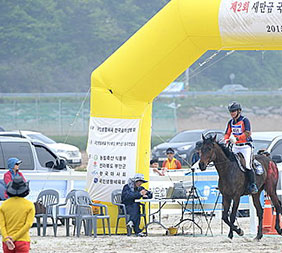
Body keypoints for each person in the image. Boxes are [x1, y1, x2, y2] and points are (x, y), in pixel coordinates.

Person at [224, 101, 258, 194]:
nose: (232, 113)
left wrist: (237, 138)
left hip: (245, 147)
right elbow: (227, 133)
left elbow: (247, 133)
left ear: (239, 111)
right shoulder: (230, 122)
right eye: (231, 111)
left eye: (234, 111)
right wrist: (226, 140)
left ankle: (252, 185)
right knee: (230, 164)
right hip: (235, 146)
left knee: (247, 165)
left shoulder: (245, 120)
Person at [0, 176, 35, 253]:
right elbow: (28, 225)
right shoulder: (29, 205)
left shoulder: (3, 205)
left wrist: (7, 238)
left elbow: (1, 225)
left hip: (6, 241)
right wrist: (14, 237)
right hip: (23, 240)